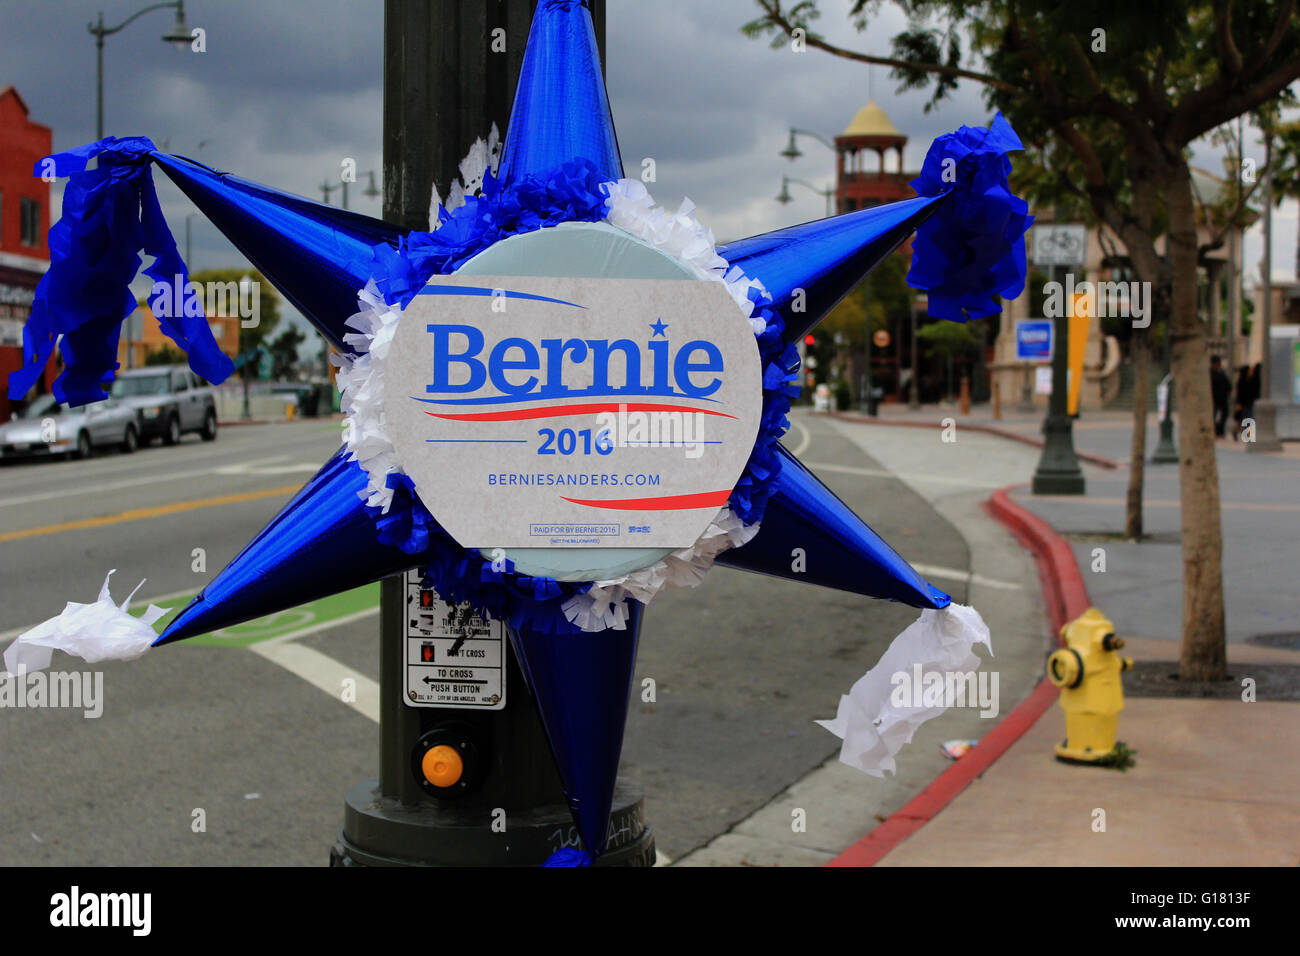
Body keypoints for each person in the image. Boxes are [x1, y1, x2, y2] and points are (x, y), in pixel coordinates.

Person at [1210, 356, 1231, 437]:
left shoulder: (1221, 372)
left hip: (1223, 398)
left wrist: (1228, 390)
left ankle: (1219, 431)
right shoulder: (1210, 373)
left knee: (1225, 414)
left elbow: (1227, 383)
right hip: (1214, 399)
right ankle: (1215, 431)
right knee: (1213, 416)